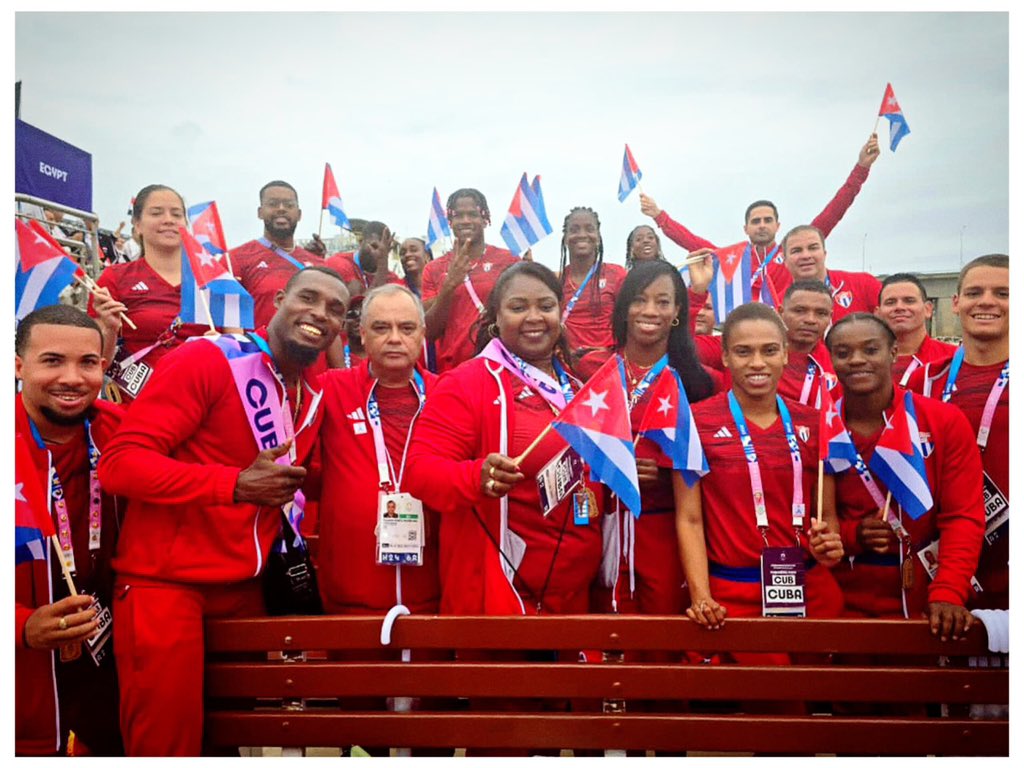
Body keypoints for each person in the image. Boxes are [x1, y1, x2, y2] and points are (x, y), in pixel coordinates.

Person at [97, 267, 348, 756]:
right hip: (167, 585)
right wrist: (232, 484)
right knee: (167, 747)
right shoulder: (209, 360)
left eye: (335, 309)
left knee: (229, 744)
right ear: (278, 300)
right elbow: (120, 465)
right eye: (309, 298)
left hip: (247, 587)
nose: (320, 313)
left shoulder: (309, 388)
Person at [405, 261, 604, 615]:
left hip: (574, 599)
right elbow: (420, 472)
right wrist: (475, 477)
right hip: (500, 595)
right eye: (518, 307)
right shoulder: (467, 382)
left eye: (546, 306)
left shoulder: (577, 389)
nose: (534, 317)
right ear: (495, 318)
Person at [675, 303, 845, 650]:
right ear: (724, 357)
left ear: (785, 354)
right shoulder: (694, 421)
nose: (756, 363)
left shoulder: (814, 421)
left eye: (769, 350)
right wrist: (701, 595)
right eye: (743, 352)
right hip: (731, 596)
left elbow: (827, 515)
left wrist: (830, 544)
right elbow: (690, 518)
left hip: (810, 589)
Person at [826, 314, 985, 637]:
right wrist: (852, 534)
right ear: (831, 360)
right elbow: (807, 517)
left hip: (922, 593)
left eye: (871, 350)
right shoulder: (820, 424)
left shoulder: (942, 420)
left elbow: (963, 516)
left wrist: (948, 591)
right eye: (843, 353)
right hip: (838, 597)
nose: (857, 360)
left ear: (893, 352)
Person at [577, 261, 717, 617]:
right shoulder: (590, 369)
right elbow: (569, 441)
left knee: (659, 638)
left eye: (663, 301)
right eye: (639, 300)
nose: (650, 311)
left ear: (677, 312)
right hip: (596, 524)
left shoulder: (703, 382)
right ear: (624, 309)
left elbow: (712, 468)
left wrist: (667, 477)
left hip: (664, 532)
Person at [15, 306, 124, 756]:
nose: (73, 378)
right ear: (18, 365)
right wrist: (20, 626)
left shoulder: (122, 432)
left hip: (110, 664)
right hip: (23, 687)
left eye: (88, 363)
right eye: (53, 360)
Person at [640, 133, 880, 307]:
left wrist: (861, 169)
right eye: (756, 221)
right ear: (746, 228)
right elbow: (692, 242)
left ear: (778, 225)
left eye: (767, 220)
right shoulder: (735, 258)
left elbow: (835, 210)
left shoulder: (794, 250)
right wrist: (659, 216)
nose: (762, 225)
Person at [317, 284, 440, 616]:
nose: (395, 338)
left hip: (433, 591)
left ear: (423, 334)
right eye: (381, 328)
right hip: (351, 591)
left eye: (407, 328)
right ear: (361, 334)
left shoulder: (449, 394)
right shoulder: (329, 389)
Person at [911, 255, 1008, 610]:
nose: (986, 301)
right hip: (940, 550)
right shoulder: (923, 380)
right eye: (974, 292)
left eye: (1003, 293)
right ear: (955, 303)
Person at [90, 184, 211, 403]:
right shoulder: (114, 278)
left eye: (177, 214)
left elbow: (238, 351)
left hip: (204, 402)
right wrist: (108, 328)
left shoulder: (212, 279)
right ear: (137, 225)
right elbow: (96, 361)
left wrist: (224, 344)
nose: (169, 220)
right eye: (156, 213)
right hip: (140, 406)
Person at [421, 188, 518, 373]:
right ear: (450, 221)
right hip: (454, 369)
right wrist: (450, 284)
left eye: (472, 214)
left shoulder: (509, 261)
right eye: (458, 215)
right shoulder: (433, 269)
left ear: (485, 219)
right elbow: (430, 331)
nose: (465, 221)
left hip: (502, 364)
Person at [231, 180, 330, 328]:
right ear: (260, 212)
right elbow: (229, 317)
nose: (281, 209)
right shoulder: (237, 258)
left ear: (299, 214)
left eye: (289, 205)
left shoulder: (318, 265)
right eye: (273, 204)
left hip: (310, 349)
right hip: (260, 349)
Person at [558, 207, 627, 361]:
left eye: (589, 229)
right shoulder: (557, 281)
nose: (582, 235)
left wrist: (609, 349)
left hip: (608, 366)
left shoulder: (617, 275)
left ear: (598, 236)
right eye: (574, 230)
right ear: (565, 237)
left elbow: (630, 323)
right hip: (568, 368)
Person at [776, 225, 882, 320]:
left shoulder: (864, 284)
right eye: (797, 251)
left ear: (824, 254)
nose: (806, 255)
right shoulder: (777, 304)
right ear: (785, 261)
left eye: (813, 248)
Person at [875, 273, 957, 386]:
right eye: (890, 302)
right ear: (878, 314)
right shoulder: (863, 362)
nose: (899, 307)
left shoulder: (954, 359)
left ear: (928, 309)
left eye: (909, 301)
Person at [326, 220, 402, 299]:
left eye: (385, 250)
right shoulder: (339, 262)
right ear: (361, 242)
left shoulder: (392, 278)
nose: (380, 254)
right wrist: (382, 266)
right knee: (355, 285)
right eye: (374, 246)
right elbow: (359, 308)